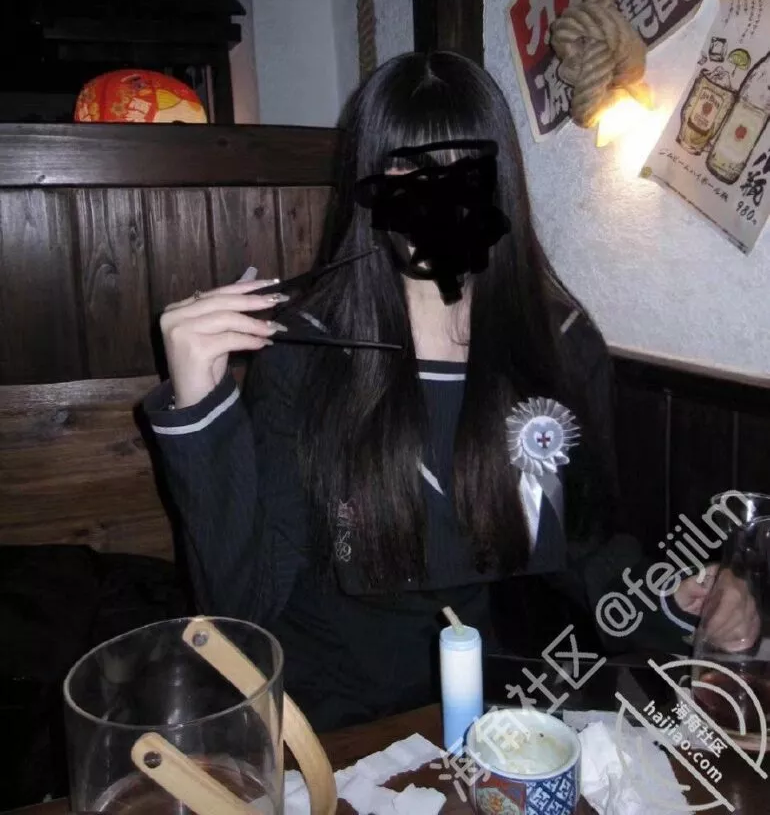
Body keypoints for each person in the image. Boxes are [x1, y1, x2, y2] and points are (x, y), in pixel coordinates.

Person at [144, 52, 758, 732]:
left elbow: (583, 546)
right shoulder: (306, 350)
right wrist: (198, 409)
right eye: (409, 174)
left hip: (494, 703)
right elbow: (243, 608)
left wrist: (675, 598)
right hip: (329, 721)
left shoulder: (558, 345)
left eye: (464, 171)